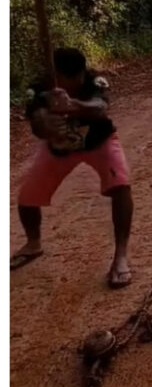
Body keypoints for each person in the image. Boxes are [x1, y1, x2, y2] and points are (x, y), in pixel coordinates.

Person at [10, 47, 134, 288]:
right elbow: (36, 126)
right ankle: (33, 244)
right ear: (56, 75)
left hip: (99, 142)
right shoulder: (38, 88)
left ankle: (121, 256)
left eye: (78, 77)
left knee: (120, 186)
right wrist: (45, 124)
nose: (75, 82)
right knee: (27, 198)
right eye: (68, 79)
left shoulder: (95, 80)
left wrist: (73, 105)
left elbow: (100, 107)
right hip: (59, 150)